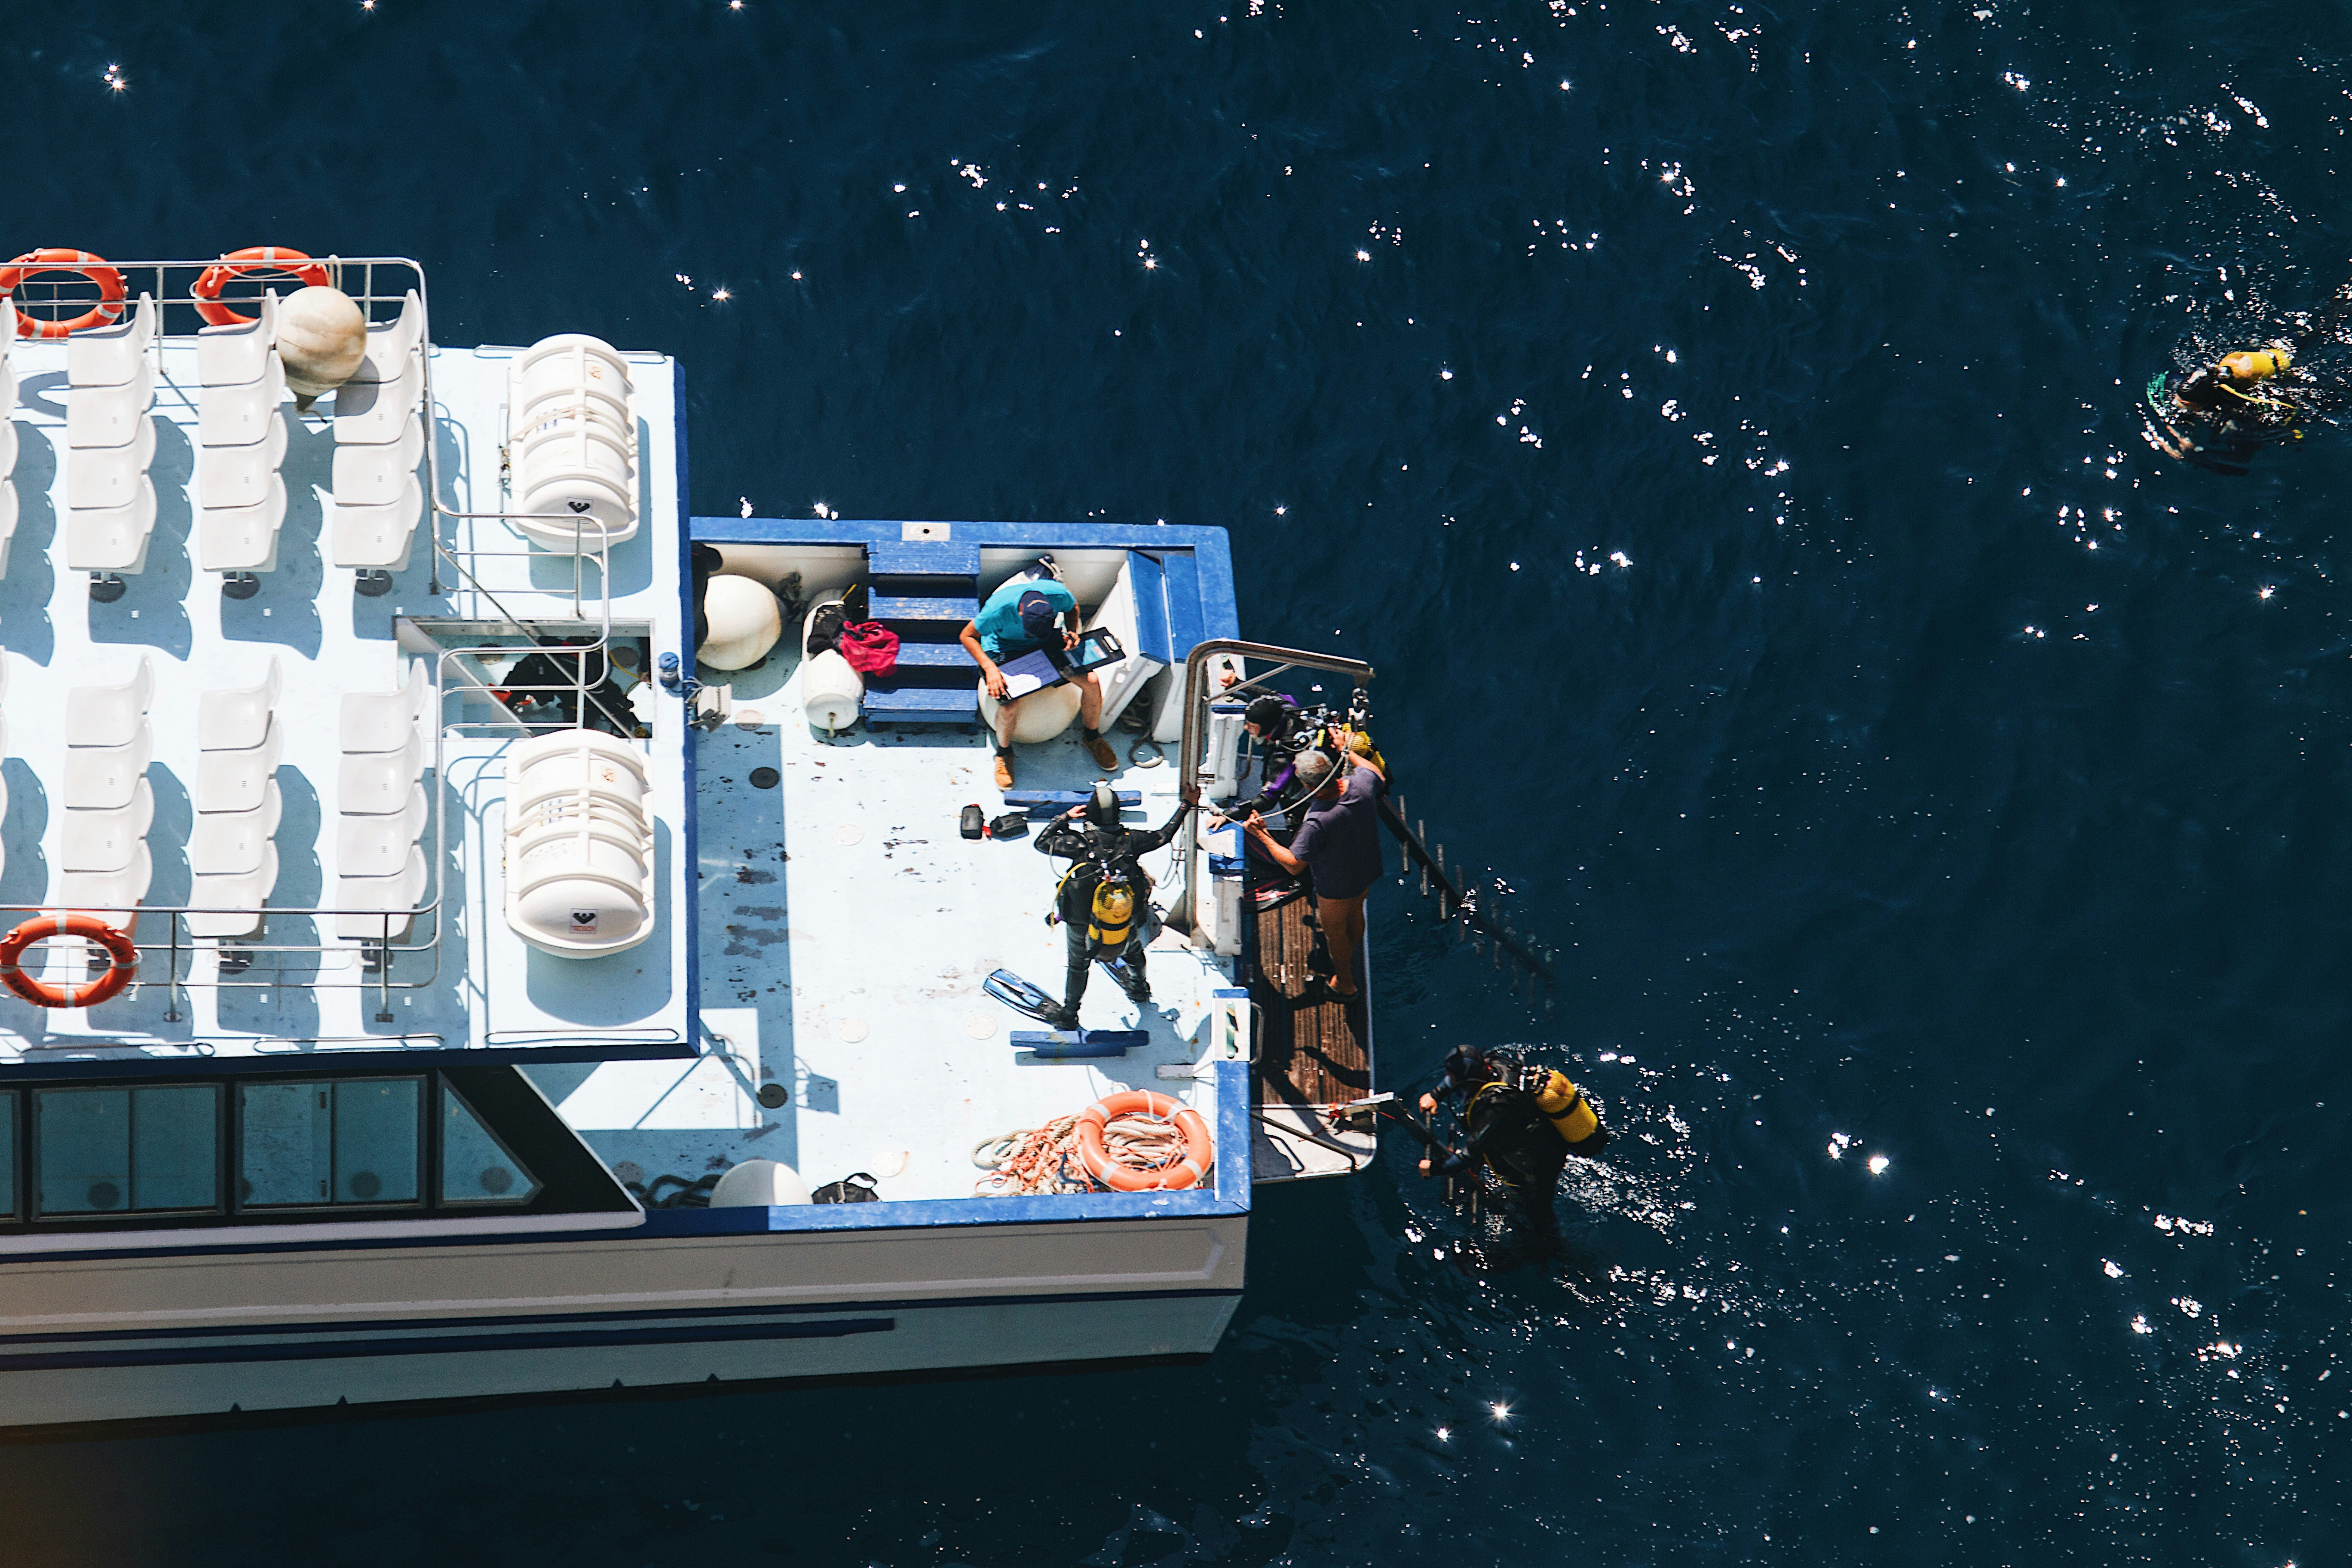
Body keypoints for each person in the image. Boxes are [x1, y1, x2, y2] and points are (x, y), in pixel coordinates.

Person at [1413, 1046, 1609, 1267]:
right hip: (1529, 1137)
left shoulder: (1495, 1107)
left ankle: (1556, 1256)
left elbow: (1469, 1156)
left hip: (1540, 1162)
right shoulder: (1496, 1064)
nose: (1450, 1081)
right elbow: (1460, 1078)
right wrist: (1435, 1094)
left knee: (1537, 1212)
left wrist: (1433, 1169)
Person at [1032, 781, 1194, 1029]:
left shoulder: (1078, 844)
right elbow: (1164, 835)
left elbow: (1042, 843)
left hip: (1081, 923)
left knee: (1078, 966)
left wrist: (1064, 818)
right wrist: (1186, 805)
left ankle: (1069, 1014)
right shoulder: (1133, 841)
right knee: (1133, 952)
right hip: (1123, 919)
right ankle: (1139, 990)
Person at [1241, 746, 1384, 1001]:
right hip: (1367, 869)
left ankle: (1345, 985)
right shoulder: (1361, 785)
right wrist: (1346, 748)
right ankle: (1347, 955)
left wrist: (1261, 835)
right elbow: (1375, 772)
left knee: (1335, 933)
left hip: (1337, 885)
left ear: (1309, 787)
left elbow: (1294, 864)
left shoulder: (1317, 821)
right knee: (1355, 912)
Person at [960, 572, 1118, 788]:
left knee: (1091, 681)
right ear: (1020, 612)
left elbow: (1073, 608)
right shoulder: (998, 609)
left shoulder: (1058, 594)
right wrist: (990, 669)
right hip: (1005, 649)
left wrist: (1073, 632)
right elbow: (967, 636)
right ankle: (1004, 753)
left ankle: (1092, 736)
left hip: (1046, 642)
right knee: (1009, 703)